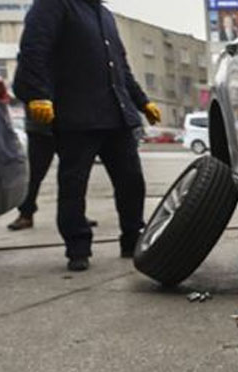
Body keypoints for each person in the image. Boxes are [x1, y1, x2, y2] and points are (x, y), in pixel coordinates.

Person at [12, 0, 161, 271]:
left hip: (116, 115)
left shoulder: (104, 14)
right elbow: (34, 50)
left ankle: (132, 237)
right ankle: (77, 247)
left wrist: (141, 101)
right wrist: (37, 94)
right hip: (76, 116)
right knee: (73, 185)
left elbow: (120, 67)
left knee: (131, 181)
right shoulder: (55, 5)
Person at [6, 117, 96, 232]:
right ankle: (25, 213)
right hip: (41, 127)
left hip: (71, 127)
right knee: (34, 173)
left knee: (75, 175)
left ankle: (76, 214)